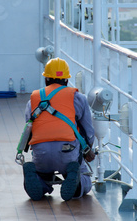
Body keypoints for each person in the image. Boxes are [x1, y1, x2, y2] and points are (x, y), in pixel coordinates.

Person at [22, 58, 96, 201]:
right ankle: (77, 183)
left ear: (46, 79)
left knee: (41, 174)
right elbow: (89, 131)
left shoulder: (33, 99)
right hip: (67, 152)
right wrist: (87, 150)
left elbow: (29, 126)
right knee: (83, 177)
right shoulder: (77, 98)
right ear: (67, 81)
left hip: (41, 152)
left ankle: (39, 181)